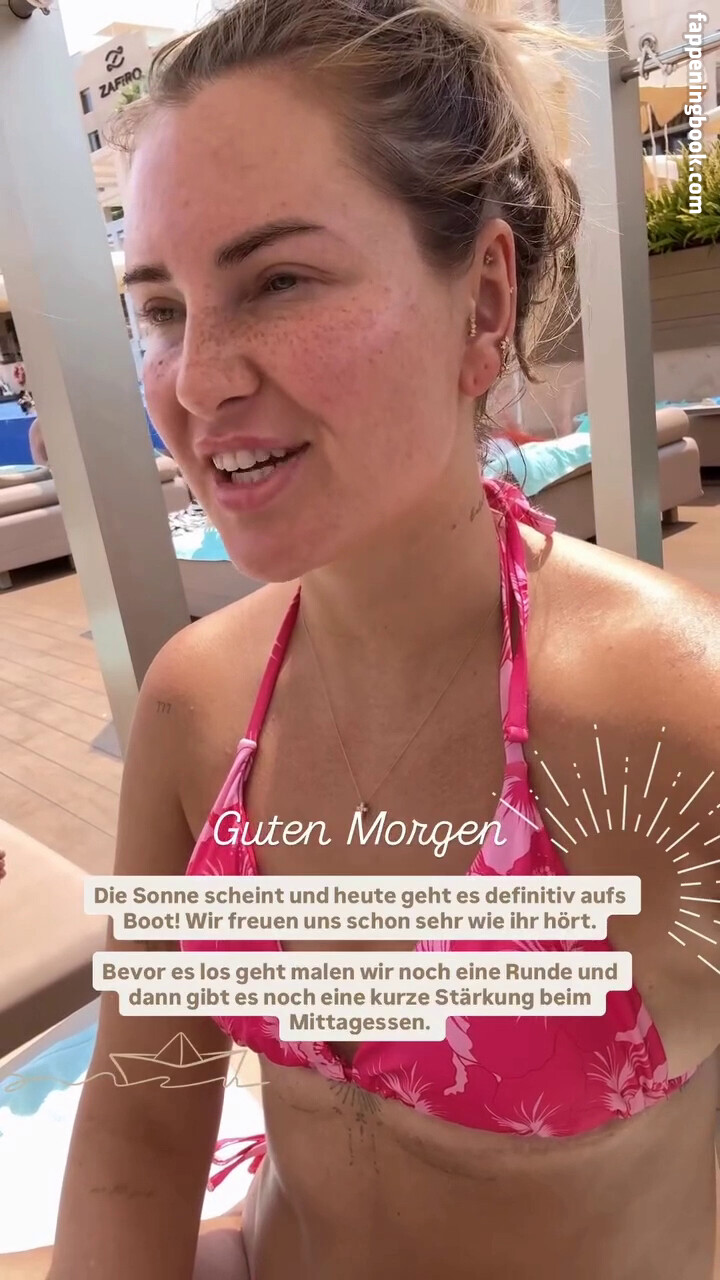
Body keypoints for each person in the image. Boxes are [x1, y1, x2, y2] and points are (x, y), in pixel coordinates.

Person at [2, 1, 719, 1277]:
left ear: (482, 302)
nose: (196, 380)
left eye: (278, 280)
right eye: (160, 307)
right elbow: (148, 1113)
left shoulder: (677, 725)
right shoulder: (195, 701)